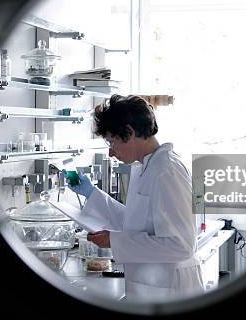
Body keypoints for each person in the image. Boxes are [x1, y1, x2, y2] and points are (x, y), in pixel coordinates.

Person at [67, 94, 204, 300]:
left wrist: (114, 241)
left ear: (129, 132)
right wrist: (91, 194)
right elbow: (133, 223)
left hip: (172, 291)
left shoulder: (166, 171)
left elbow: (182, 245)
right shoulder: (146, 167)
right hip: (153, 289)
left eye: (111, 142)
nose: (111, 153)